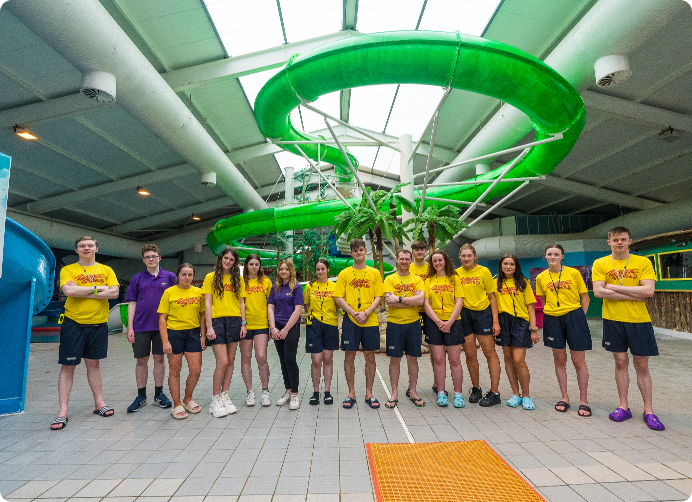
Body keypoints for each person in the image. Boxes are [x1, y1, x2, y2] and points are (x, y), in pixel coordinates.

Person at [592, 226, 663, 430]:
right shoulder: (601, 263)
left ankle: (648, 411)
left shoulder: (642, 262)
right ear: (609, 243)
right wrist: (634, 294)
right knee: (621, 362)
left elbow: (649, 291)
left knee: (642, 366)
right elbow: (598, 292)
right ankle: (624, 406)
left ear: (630, 241)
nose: (620, 243)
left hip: (639, 321)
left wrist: (613, 287)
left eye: (623, 239)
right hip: (613, 320)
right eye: (615, 240)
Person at [51, 236, 119, 430]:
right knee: (68, 366)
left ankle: (99, 403)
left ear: (96, 248)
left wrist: (83, 290)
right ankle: (62, 411)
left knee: (94, 365)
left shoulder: (106, 270)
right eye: (82, 246)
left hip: (98, 324)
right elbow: (69, 292)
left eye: (90, 245)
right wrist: (100, 288)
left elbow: (114, 293)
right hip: (74, 324)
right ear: (76, 250)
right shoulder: (68, 270)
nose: (86, 248)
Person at [535, 243, 591, 417]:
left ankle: (583, 400)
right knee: (559, 360)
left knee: (578, 361)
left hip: (574, 316)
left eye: (556, 254)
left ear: (562, 256)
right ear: (545, 256)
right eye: (549, 254)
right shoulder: (541, 277)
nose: (552, 257)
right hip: (552, 318)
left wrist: (579, 316)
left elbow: (585, 297)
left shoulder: (573, 273)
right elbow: (543, 299)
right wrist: (553, 312)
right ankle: (565, 397)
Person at [125, 244, 176, 413]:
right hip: (140, 326)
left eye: (154, 256)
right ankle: (141, 396)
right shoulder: (137, 279)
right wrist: (130, 327)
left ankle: (159, 394)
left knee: (160, 359)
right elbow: (131, 304)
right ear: (143, 260)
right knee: (141, 360)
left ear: (160, 258)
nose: (151, 259)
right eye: (147, 257)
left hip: (162, 327)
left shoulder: (170, 277)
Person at [335, 238, 384, 409]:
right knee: (349, 356)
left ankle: (369, 392)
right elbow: (338, 297)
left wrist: (366, 312)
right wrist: (354, 313)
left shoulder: (374, 273)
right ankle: (351, 393)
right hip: (351, 320)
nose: (358, 253)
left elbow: (379, 296)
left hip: (370, 320)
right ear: (351, 253)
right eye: (355, 251)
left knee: (370, 356)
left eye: (361, 250)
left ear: (366, 252)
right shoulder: (344, 274)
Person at [203, 247, 246, 418]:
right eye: (226, 258)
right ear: (221, 258)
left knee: (230, 361)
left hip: (234, 320)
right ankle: (215, 400)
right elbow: (207, 304)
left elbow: (242, 303)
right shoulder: (210, 277)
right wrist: (209, 326)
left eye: (232, 260)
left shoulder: (238, 280)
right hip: (217, 321)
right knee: (222, 361)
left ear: (235, 262)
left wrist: (243, 324)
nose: (228, 262)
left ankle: (225, 395)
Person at [457, 243, 502, 407]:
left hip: (483, 315)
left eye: (470, 255)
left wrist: (495, 321)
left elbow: (492, 298)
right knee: (470, 355)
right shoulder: (456, 273)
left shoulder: (484, 272)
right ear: (460, 257)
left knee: (489, 353)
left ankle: (495, 392)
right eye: (464, 256)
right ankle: (476, 388)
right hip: (464, 315)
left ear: (475, 256)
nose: (467, 258)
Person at [159, 263, 205, 420]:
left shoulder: (199, 292)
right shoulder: (169, 292)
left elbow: (202, 316)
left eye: (190, 275)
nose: (187, 277)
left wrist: (203, 336)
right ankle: (177, 403)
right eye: (184, 274)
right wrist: (165, 341)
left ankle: (187, 398)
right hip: (174, 334)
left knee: (196, 370)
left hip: (193, 334)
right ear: (178, 275)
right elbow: (162, 318)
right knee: (175, 370)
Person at [495, 254, 539, 411]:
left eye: (511, 264)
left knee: (518, 360)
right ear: (501, 266)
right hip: (503, 322)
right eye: (505, 264)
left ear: (516, 266)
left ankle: (526, 395)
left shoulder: (523, 282)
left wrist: (533, 330)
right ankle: (515, 393)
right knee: (508, 359)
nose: (508, 266)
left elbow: (531, 307)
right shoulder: (496, 283)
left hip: (520, 323)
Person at [383, 250, 425, 408]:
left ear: (411, 260)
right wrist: (410, 300)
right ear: (397, 260)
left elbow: (420, 300)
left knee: (412, 359)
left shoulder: (418, 279)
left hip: (413, 323)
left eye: (407, 259)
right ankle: (394, 393)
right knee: (395, 359)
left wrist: (399, 298)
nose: (404, 261)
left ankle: (413, 391)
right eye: (402, 258)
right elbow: (390, 302)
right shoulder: (390, 279)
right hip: (395, 324)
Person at [425, 249, 466, 407]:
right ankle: (441, 392)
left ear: (446, 261)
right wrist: (437, 322)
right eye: (434, 261)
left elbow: (459, 302)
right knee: (439, 360)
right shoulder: (428, 281)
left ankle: (458, 394)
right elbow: (426, 303)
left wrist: (448, 322)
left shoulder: (454, 279)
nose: (437, 263)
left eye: (440, 260)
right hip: (434, 323)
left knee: (455, 360)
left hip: (453, 322)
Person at [268, 260, 304, 410]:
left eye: (286, 269)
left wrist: (286, 329)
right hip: (277, 327)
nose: (283, 271)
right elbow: (270, 308)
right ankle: (288, 391)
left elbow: (297, 310)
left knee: (290, 359)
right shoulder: (275, 288)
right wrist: (273, 328)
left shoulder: (296, 287)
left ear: (291, 271)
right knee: (283, 360)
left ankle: (295, 394)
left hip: (291, 327)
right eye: (281, 269)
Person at [304, 259, 338, 405]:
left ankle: (327, 392)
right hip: (314, 326)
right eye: (317, 269)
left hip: (330, 324)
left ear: (327, 270)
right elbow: (306, 305)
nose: (320, 272)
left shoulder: (335, 286)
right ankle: (316, 392)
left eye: (322, 269)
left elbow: (338, 305)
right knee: (316, 360)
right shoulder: (310, 287)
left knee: (328, 359)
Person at [242, 253, 273, 407]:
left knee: (261, 357)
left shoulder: (266, 282)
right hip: (245, 325)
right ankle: (250, 392)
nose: (254, 267)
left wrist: (270, 326)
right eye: (251, 264)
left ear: (260, 266)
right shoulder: (241, 282)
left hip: (261, 324)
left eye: (256, 264)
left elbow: (270, 305)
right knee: (246, 359)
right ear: (246, 265)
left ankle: (265, 390)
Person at [409, 241, 435, 395]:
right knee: (412, 350)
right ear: (412, 252)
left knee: (433, 346)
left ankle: (437, 381)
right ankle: (412, 386)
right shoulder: (408, 267)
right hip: (412, 311)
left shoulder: (431, 268)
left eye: (422, 249)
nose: (419, 252)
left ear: (426, 251)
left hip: (430, 311)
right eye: (416, 250)